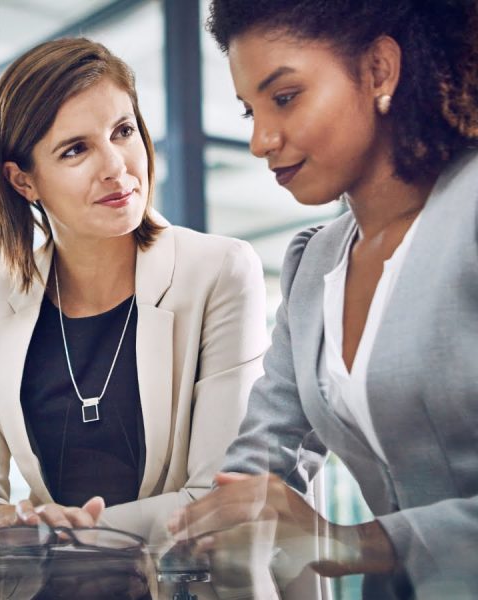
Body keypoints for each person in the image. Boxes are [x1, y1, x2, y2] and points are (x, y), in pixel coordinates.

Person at [168, 1, 478, 598]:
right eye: (248, 111)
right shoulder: (314, 265)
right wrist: (171, 538)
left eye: (284, 97)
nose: (261, 140)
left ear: (379, 71)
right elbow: (258, 457)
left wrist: (354, 543)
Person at [0, 37, 267, 551]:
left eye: (123, 131)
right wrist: (3, 523)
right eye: (75, 150)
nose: (115, 166)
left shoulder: (219, 271)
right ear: (24, 182)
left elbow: (214, 501)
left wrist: (67, 538)